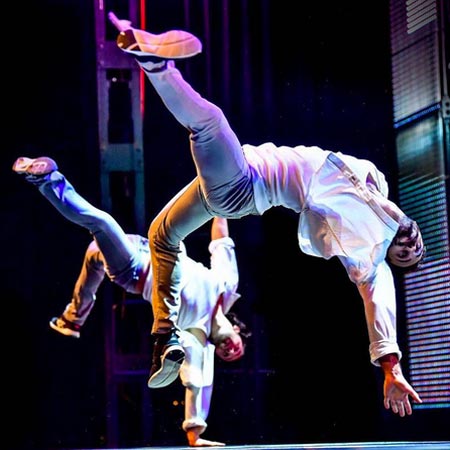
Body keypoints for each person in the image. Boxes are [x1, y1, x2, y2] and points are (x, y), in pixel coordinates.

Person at [108, 13, 426, 418]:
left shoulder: (368, 245)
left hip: (243, 182)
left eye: (404, 254)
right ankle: (164, 335)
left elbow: (378, 294)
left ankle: (155, 65)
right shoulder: (372, 187)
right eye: (412, 246)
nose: (407, 244)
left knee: (208, 123)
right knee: (161, 235)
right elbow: (389, 213)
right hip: (227, 191)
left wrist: (391, 367)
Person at [12, 156, 251, 447]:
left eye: (226, 356)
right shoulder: (226, 285)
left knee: (100, 225)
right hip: (144, 245)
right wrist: (221, 189)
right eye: (236, 349)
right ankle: (72, 319)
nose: (229, 351)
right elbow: (221, 241)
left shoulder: (196, 339)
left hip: (133, 269)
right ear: (238, 330)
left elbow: (199, 383)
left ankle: (46, 180)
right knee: (94, 252)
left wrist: (195, 434)